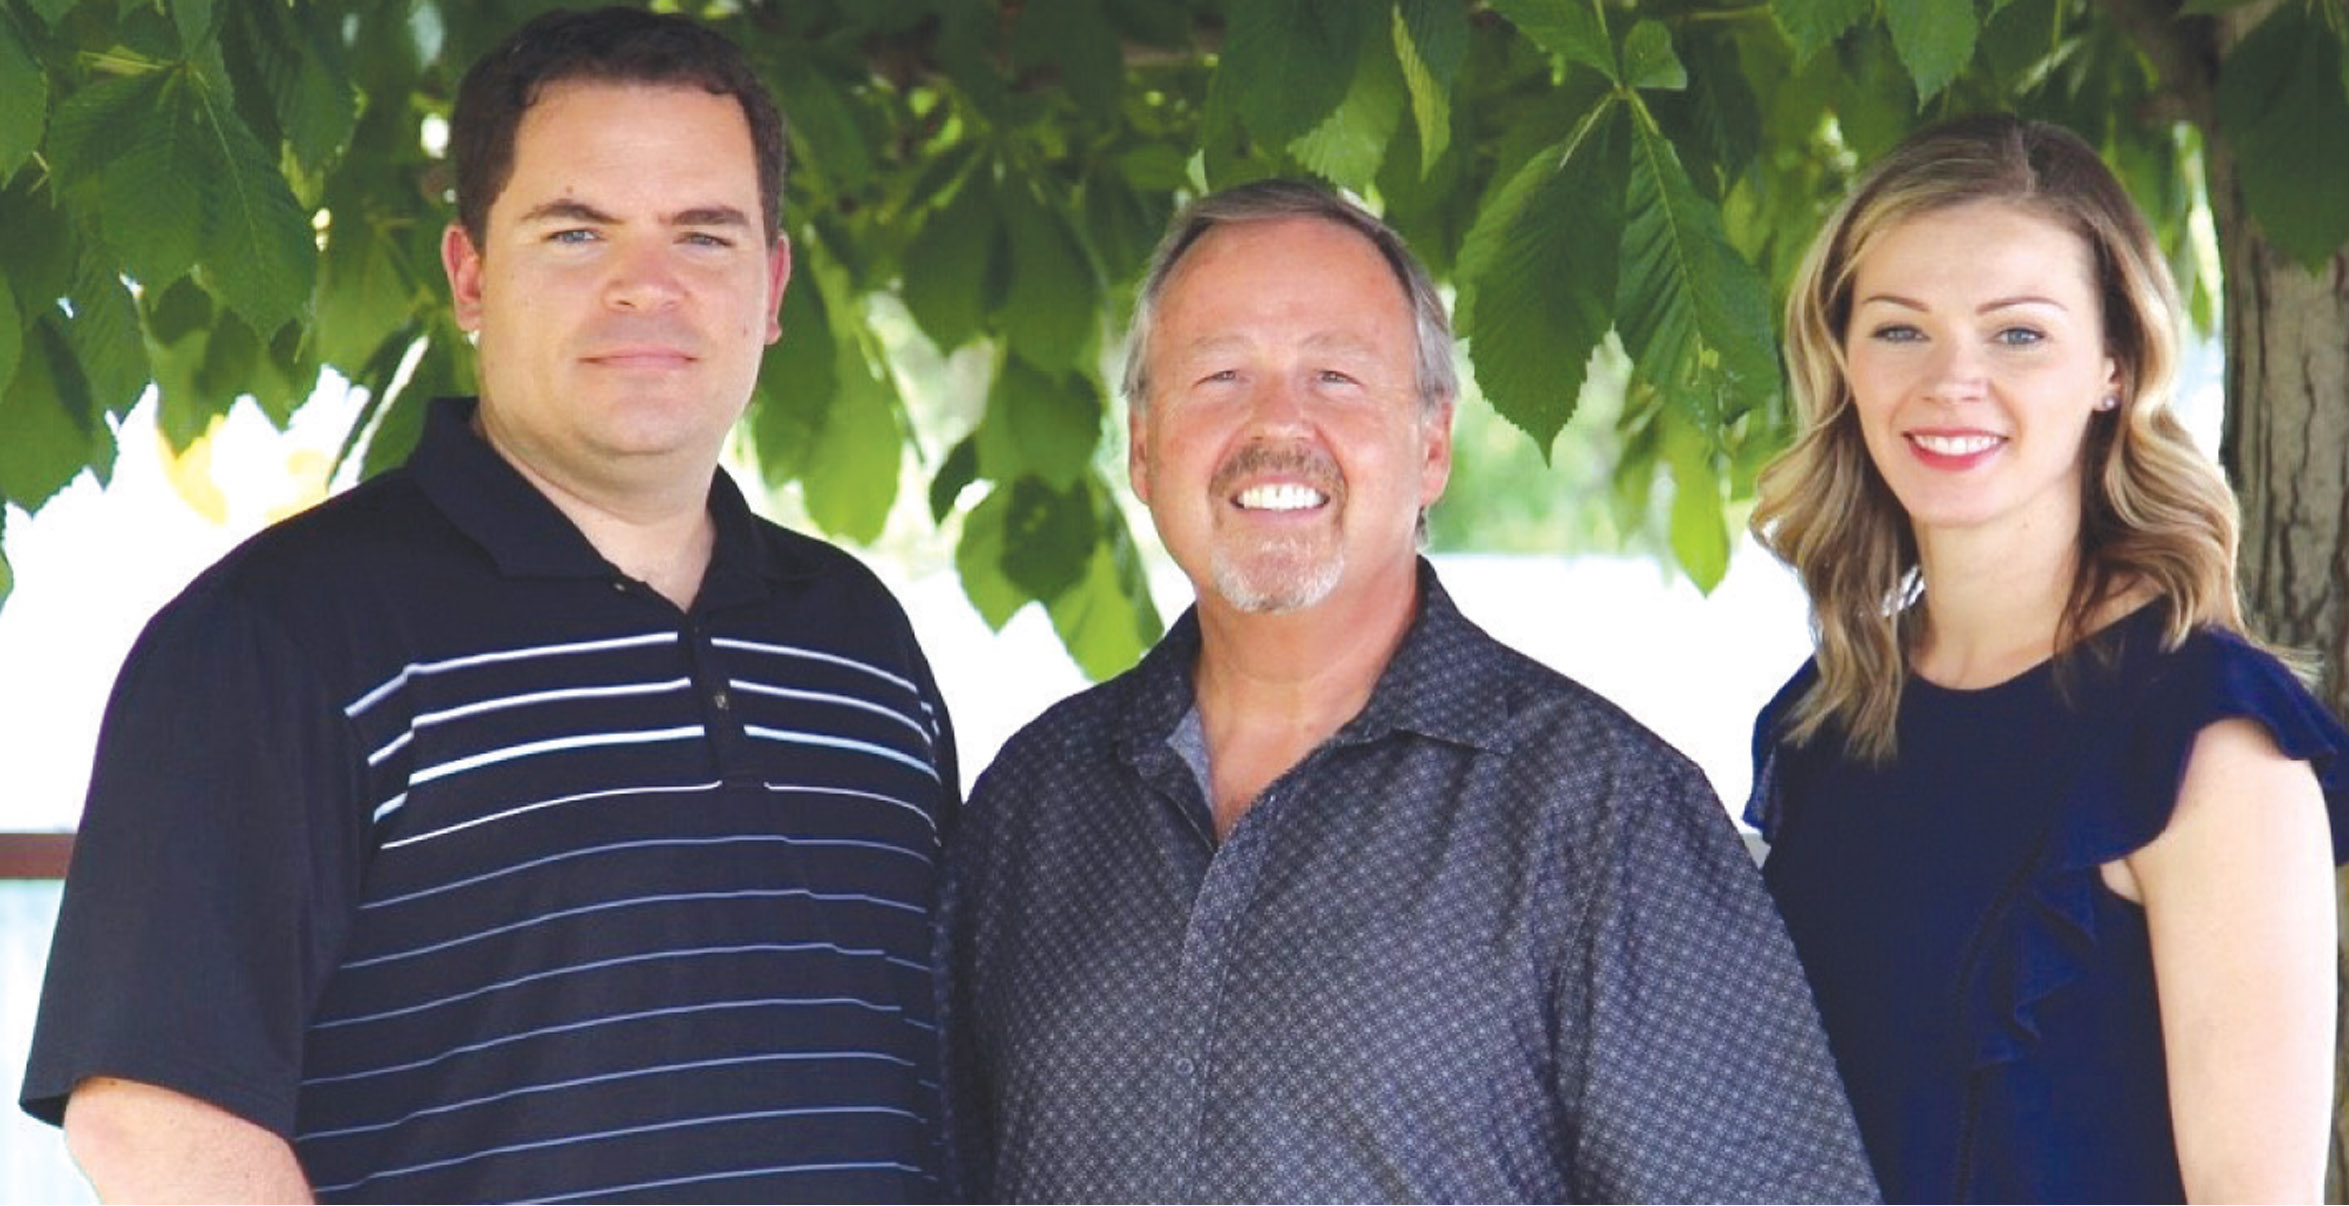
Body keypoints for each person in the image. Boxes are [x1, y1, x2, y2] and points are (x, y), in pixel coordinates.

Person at [21, 8, 957, 1202]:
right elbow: (157, 1118)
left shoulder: (859, 642)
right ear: (469, 274)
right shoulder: (279, 641)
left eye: (705, 236)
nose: (646, 288)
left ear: (771, 287)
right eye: (576, 233)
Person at [938, 178, 1876, 1203]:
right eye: (1218, 376)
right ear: (1143, 445)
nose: (1277, 424)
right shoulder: (1034, 805)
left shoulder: (1601, 813)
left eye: (1336, 376)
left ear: (1431, 446)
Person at [1746, 114, 2349, 1203]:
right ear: (1842, 359)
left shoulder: (2208, 741)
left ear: (2113, 367)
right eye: (1899, 330)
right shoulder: (1825, 720)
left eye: (2017, 334)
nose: (1950, 380)